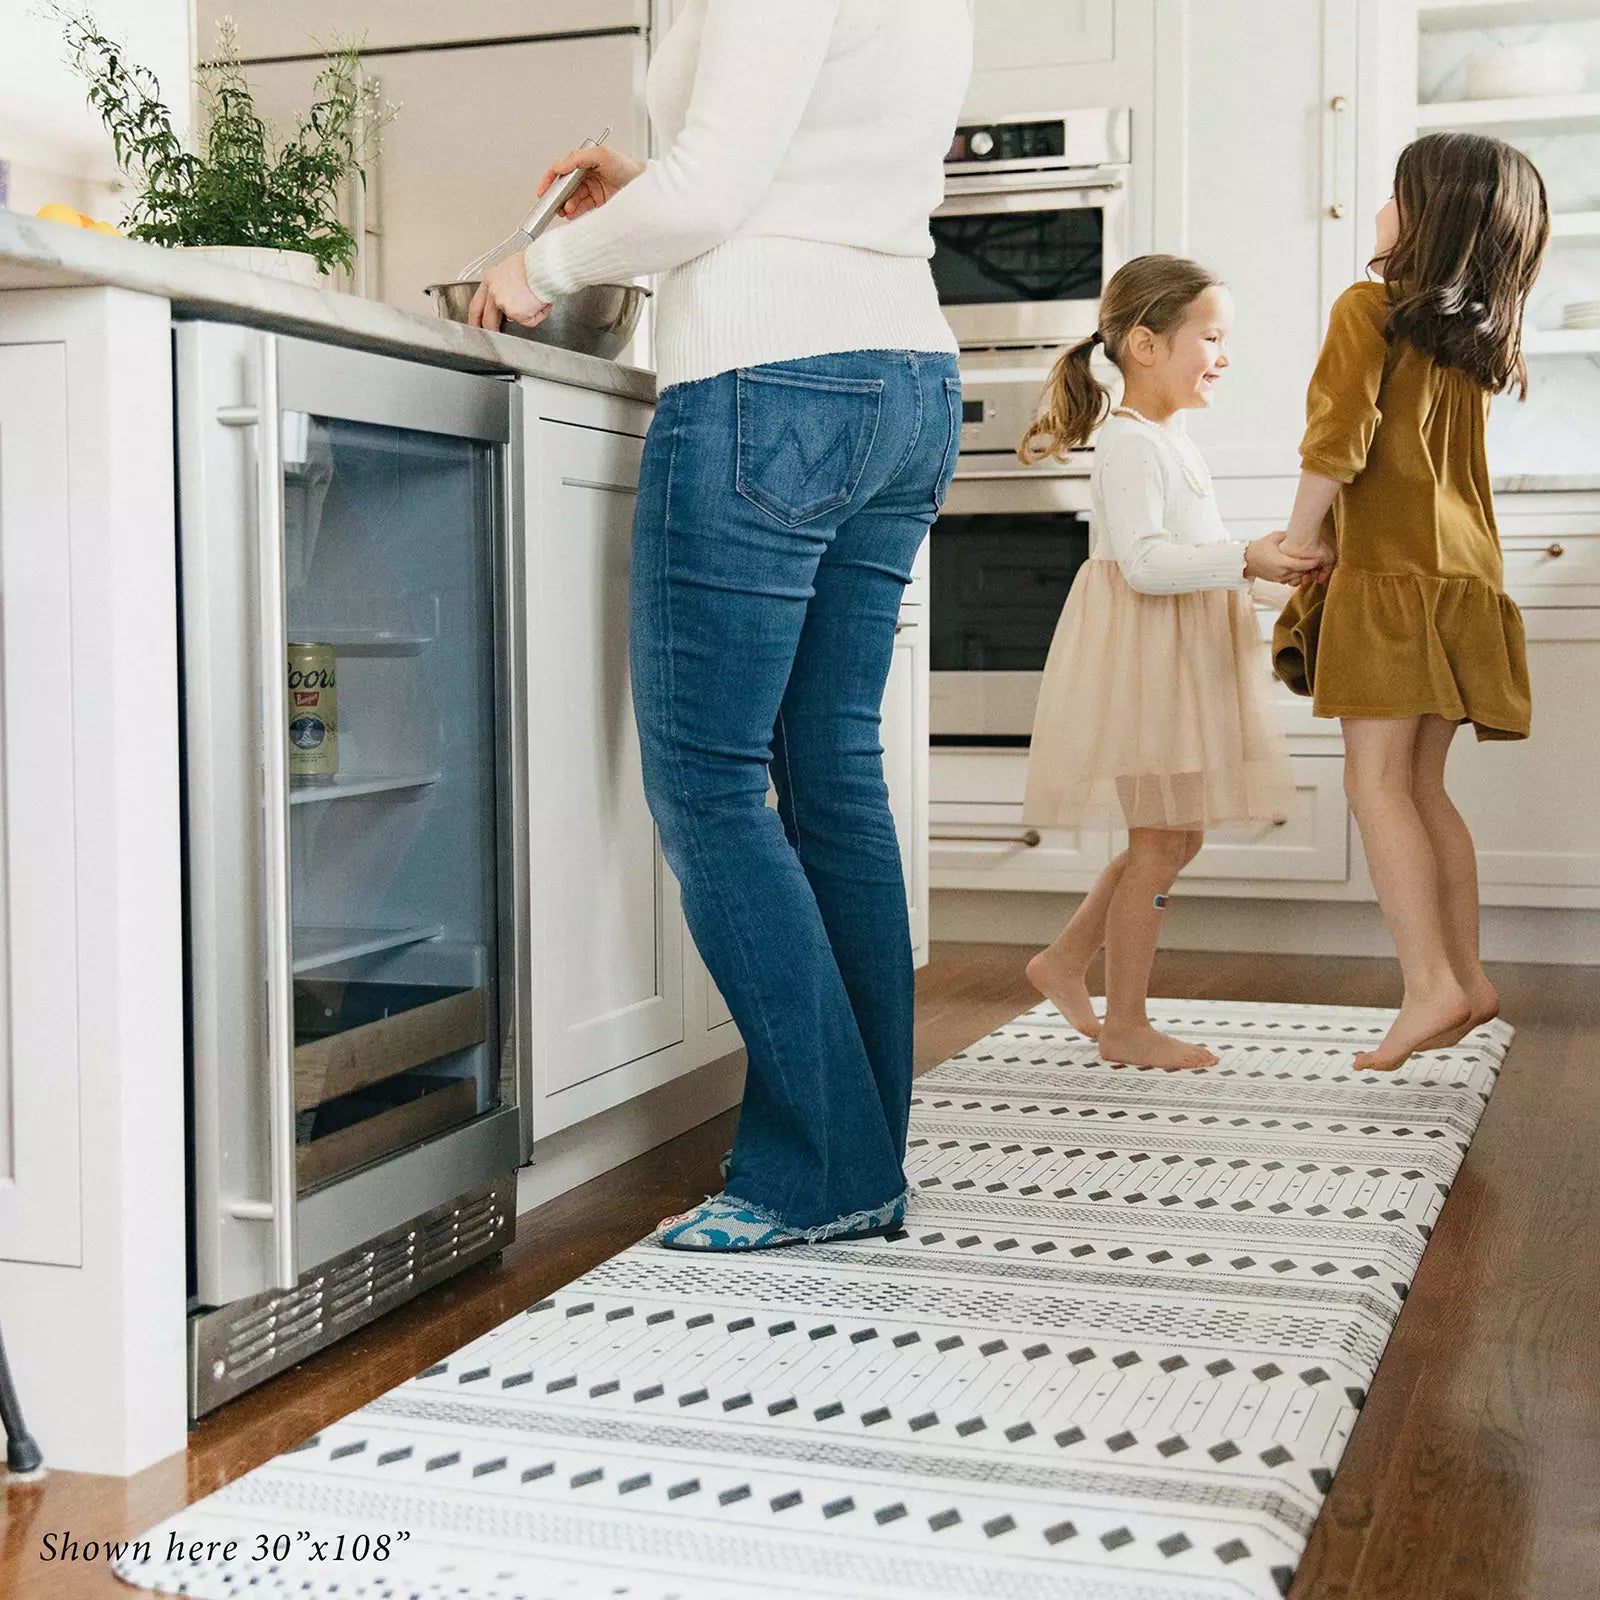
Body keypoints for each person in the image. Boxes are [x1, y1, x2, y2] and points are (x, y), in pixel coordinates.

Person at [470, 2, 974, 1249]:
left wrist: (535, 267)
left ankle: (820, 1171)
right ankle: (856, 1157)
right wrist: (650, 186)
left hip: (776, 380)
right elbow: (800, 170)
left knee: (707, 782)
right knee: (831, 776)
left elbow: (713, 197)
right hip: (906, 374)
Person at [1273, 133, 1550, 1071]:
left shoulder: (1370, 307)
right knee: (1423, 784)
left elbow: (1337, 438)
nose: (1376, 212)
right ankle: (1465, 976)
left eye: (1392, 195)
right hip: (1465, 579)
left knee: (1375, 781)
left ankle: (1428, 983)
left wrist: (1300, 541)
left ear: (1424, 217)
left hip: (1389, 579)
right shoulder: (1472, 339)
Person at [1021, 255, 1321, 1069]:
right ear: (1146, 344)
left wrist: (1278, 582)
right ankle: (1125, 1026)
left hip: (1175, 657)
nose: (1224, 355)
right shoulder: (1128, 445)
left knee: (1172, 837)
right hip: (1144, 663)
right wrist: (1249, 560)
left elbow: (1202, 558)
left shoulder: (1169, 438)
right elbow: (1150, 565)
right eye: (1212, 337)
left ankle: (1063, 960)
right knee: (1159, 840)